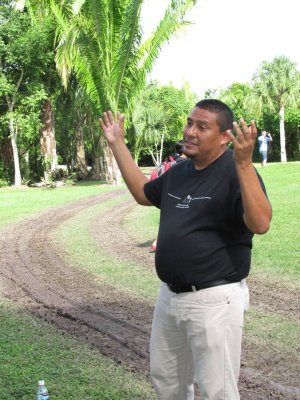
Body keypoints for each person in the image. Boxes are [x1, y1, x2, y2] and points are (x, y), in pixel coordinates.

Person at [99, 99, 272, 400]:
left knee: (217, 389)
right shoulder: (180, 171)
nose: (190, 131)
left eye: (202, 126)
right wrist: (117, 144)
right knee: (167, 382)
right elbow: (142, 192)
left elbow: (260, 223)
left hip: (214, 302)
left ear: (224, 137)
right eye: (189, 122)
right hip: (170, 298)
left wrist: (244, 163)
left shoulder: (235, 172)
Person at [150, 140, 187, 252]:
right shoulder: (184, 164)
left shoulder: (169, 161)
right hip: (178, 196)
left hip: (164, 195)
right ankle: (158, 242)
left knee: (168, 219)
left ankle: (158, 242)